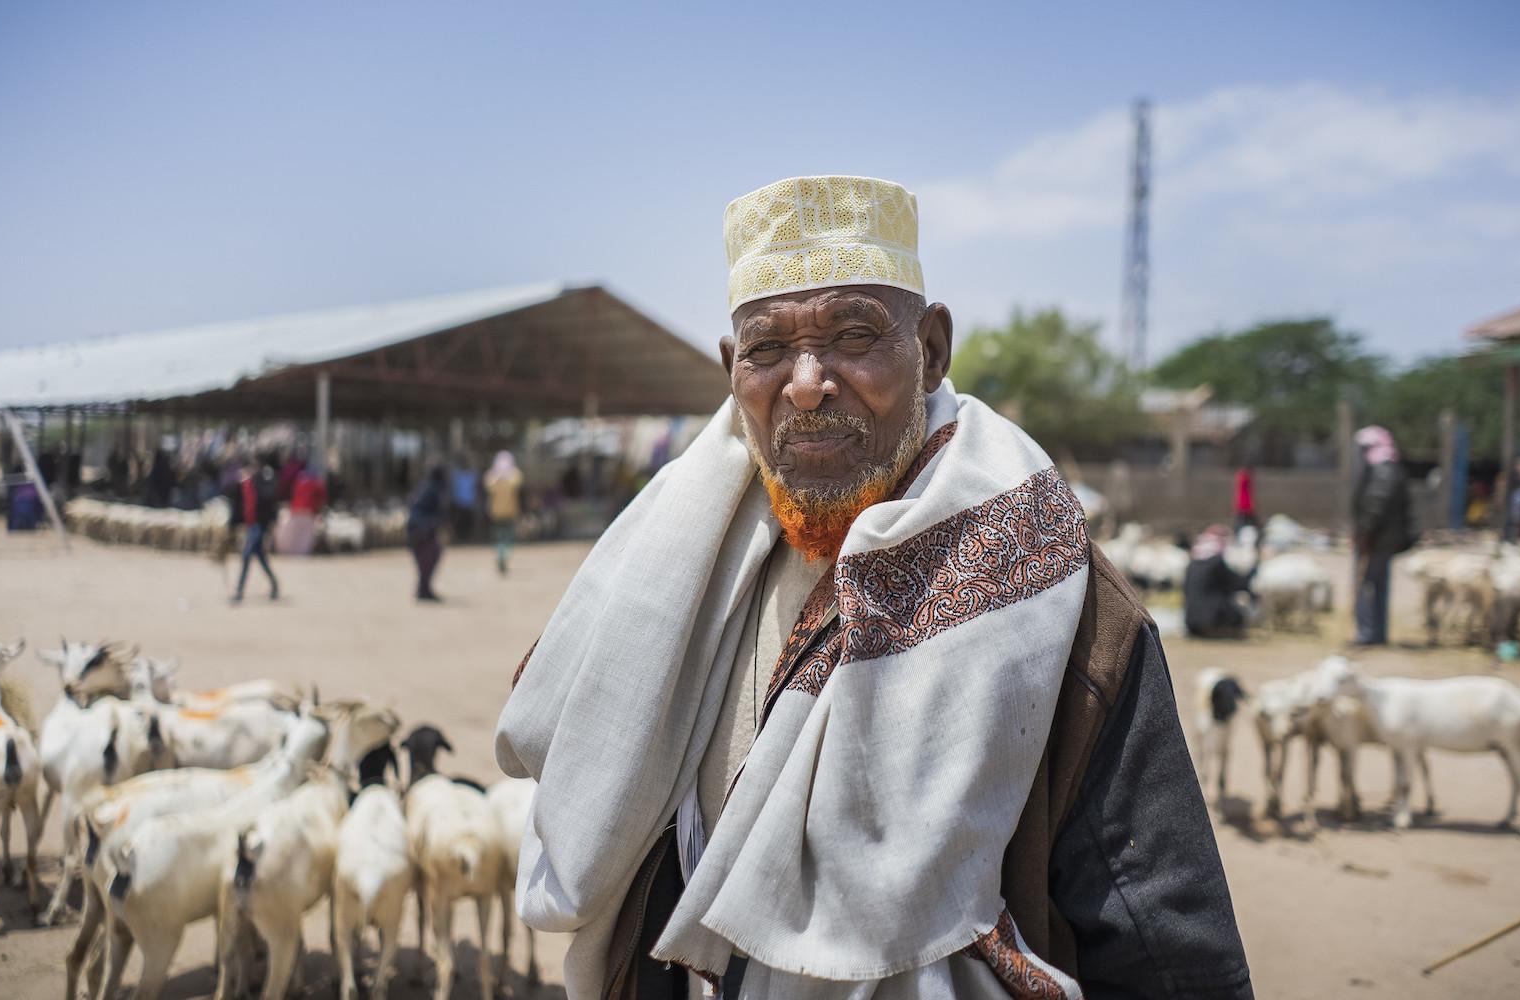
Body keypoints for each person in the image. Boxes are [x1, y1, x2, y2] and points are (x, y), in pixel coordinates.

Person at [495, 176, 1251, 999]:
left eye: (854, 334)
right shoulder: (678, 581)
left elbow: (1171, 958)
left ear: (931, 349)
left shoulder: (1057, 606)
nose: (808, 381)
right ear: (730, 368)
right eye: (768, 348)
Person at [1351, 425, 1415, 645]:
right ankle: (1376, 632)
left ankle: (1367, 633)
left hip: (1377, 539)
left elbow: (1377, 504)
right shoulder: (1389, 467)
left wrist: (1365, 533)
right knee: (1378, 584)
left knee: (1365, 584)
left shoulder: (1383, 469)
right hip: (1384, 539)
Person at [1184, 525, 1255, 638]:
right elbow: (1238, 583)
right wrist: (1252, 570)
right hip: (1212, 621)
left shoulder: (1193, 563)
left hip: (1191, 622)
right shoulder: (1217, 562)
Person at [232, 459, 279, 602]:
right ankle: (274, 584)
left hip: (259, 525)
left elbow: (270, 500)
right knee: (260, 557)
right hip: (251, 525)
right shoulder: (243, 486)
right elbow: (238, 506)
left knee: (246, 555)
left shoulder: (262, 483)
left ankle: (239, 590)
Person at [407, 465, 449, 602]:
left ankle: (424, 588)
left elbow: (411, 502)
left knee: (424, 561)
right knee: (430, 558)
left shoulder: (423, 486)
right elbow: (440, 512)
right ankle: (424, 589)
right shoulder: (435, 489)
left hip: (413, 528)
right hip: (424, 530)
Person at [484, 450, 523, 575]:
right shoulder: (513, 476)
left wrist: (499, 475)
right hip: (509, 512)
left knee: (500, 537)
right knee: (508, 538)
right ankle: (503, 557)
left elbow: (488, 485)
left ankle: (501, 556)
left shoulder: (492, 476)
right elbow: (518, 480)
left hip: (496, 513)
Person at [1233, 465, 1256, 532]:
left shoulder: (1241, 477)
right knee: (1242, 522)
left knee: (1241, 522)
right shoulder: (1244, 478)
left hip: (1244, 505)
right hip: (1245, 505)